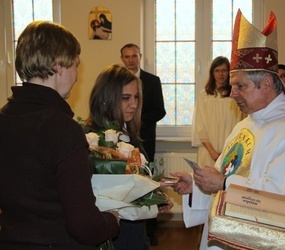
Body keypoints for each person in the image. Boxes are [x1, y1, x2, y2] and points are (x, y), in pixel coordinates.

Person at [171, 10, 285, 250]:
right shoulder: (244, 125)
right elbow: (224, 175)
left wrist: (224, 184)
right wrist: (197, 185)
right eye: (232, 86)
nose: (233, 93)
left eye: (240, 86)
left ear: (266, 84)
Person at [0, 21, 119, 249]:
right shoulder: (61, 129)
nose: (76, 76)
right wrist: (113, 221)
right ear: (58, 66)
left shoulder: (3, 118)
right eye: (75, 66)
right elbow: (84, 226)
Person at [86, 64, 173, 250]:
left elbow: (137, 181)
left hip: (136, 234)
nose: (134, 104)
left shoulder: (132, 136)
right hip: (113, 236)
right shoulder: (92, 141)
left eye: (136, 97)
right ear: (105, 99)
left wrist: (157, 196)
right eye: (126, 98)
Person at [120, 43, 166, 246]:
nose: (131, 60)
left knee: (148, 180)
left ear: (140, 56)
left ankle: (150, 229)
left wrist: (138, 121)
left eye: (134, 56)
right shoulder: (117, 81)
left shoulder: (152, 81)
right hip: (122, 137)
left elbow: (160, 110)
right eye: (127, 56)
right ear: (122, 58)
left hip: (146, 137)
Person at [192, 56, 245, 168]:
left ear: (229, 73)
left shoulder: (236, 95)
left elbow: (242, 122)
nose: (221, 74)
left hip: (232, 150)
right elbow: (200, 126)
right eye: (217, 70)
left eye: (224, 70)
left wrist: (231, 151)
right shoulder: (204, 95)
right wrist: (213, 153)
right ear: (212, 73)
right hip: (208, 151)